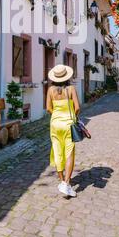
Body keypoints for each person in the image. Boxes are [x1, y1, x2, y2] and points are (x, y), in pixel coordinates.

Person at [46, 64, 80, 198]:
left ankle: (62, 181)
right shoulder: (71, 89)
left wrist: (56, 115)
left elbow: (48, 108)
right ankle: (66, 183)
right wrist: (74, 116)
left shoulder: (50, 90)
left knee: (57, 152)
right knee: (69, 154)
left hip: (55, 124)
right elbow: (77, 107)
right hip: (68, 124)